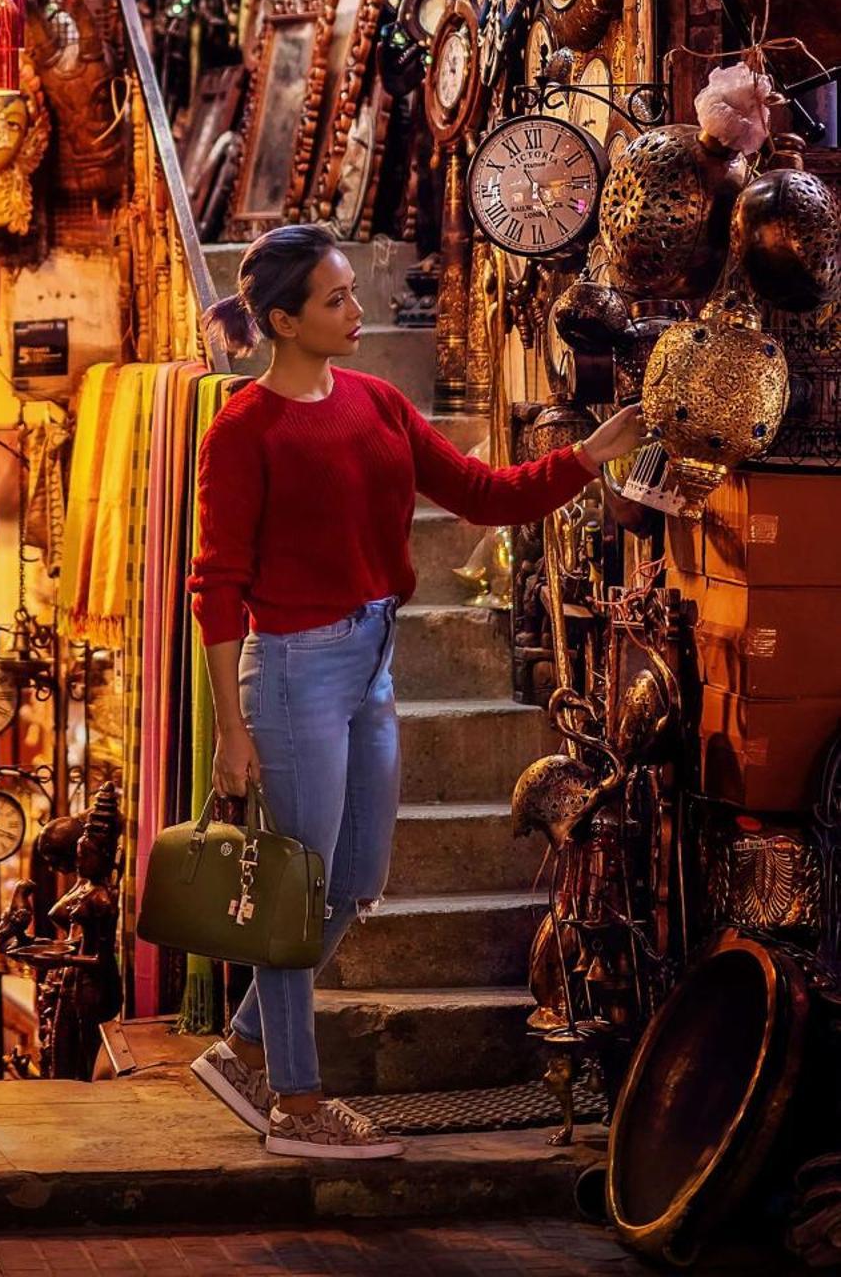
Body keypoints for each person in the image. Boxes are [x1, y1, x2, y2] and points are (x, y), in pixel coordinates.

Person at [185, 224, 643, 1162]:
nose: (359, 311)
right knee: (298, 888)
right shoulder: (242, 430)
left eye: (354, 292)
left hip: (370, 653)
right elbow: (216, 583)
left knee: (354, 880)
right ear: (281, 320)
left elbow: (482, 492)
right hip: (289, 667)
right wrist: (232, 732)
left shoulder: (378, 402)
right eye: (336, 300)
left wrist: (589, 456)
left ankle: (241, 1044)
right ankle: (295, 1104)